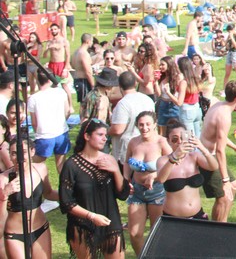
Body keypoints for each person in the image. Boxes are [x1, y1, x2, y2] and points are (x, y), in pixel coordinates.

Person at [59, 118, 130, 259]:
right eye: (100, 135)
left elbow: (122, 194)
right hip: (83, 225)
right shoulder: (71, 165)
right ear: (86, 136)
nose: (105, 139)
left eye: (106, 135)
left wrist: (116, 170)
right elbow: (66, 203)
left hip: (110, 223)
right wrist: (91, 216)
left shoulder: (109, 160)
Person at [1, 137, 59, 259]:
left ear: (32, 151)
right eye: (14, 153)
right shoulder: (3, 179)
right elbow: (1, 217)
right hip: (15, 234)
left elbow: (48, 193)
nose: (19, 158)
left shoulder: (41, 169)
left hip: (40, 229)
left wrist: (70, 195)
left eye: (23, 152)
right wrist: (4, 195)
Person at [123, 111, 171, 256]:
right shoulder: (133, 142)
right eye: (141, 125)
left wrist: (155, 175)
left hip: (157, 192)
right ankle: (142, 256)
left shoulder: (161, 142)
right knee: (134, 233)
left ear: (155, 124)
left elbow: (172, 162)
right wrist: (126, 179)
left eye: (148, 124)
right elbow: (126, 162)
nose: (144, 128)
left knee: (155, 232)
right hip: (136, 192)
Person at [199, 81, 236, 222]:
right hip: (208, 157)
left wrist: (235, 147)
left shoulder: (219, 105)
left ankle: (223, 223)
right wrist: (225, 180)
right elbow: (219, 150)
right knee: (224, 194)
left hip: (209, 153)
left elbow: (219, 136)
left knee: (234, 186)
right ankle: (217, 228)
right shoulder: (224, 115)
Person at [156, 119, 218, 219]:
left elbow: (214, 166)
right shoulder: (163, 161)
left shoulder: (194, 157)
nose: (179, 142)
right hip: (173, 218)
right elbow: (161, 179)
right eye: (175, 139)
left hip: (197, 215)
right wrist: (174, 158)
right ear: (168, 141)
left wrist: (202, 148)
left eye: (182, 138)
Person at [27, 69, 70, 172]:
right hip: (61, 133)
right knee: (61, 166)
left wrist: (38, 133)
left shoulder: (33, 98)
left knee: (34, 166)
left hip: (44, 136)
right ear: (50, 80)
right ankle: (65, 187)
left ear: (37, 80)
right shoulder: (60, 92)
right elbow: (68, 112)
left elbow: (34, 122)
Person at [109, 72, 156, 165]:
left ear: (120, 86)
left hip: (128, 151)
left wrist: (106, 130)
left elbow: (118, 129)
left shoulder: (123, 104)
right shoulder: (148, 99)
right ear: (136, 83)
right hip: (148, 148)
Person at [155, 56, 185, 135]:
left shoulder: (178, 77)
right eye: (159, 65)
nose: (160, 67)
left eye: (162, 64)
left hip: (174, 106)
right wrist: (155, 82)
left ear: (169, 64)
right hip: (163, 105)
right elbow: (159, 95)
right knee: (162, 132)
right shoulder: (162, 76)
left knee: (177, 132)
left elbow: (179, 101)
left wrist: (168, 93)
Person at [177, 56, 203, 138]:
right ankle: (199, 150)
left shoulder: (184, 82)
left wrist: (168, 93)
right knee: (197, 136)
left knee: (187, 138)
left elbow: (179, 102)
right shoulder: (196, 78)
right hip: (197, 109)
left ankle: (191, 151)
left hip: (187, 111)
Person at [71, 33, 96, 105]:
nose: (92, 43)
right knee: (86, 105)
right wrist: (93, 85)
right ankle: (84, 116)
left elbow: (73, 65)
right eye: (92, 41)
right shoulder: (84, 54)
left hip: (77, 79)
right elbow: (88, 72)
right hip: (83, 81)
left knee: (83, 104)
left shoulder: (76, 52)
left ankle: (83, 116)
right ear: (88, 41)